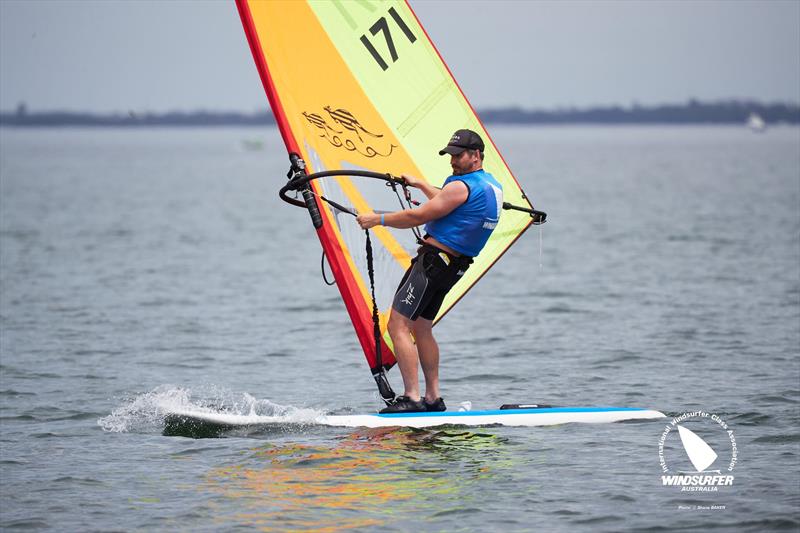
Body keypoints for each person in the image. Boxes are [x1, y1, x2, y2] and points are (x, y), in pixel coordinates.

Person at [356, 129, 503, 413]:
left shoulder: (460, 186)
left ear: (477, 155)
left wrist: (378, 219)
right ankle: (433, 397)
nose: (454, 161)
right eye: (451, 155)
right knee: (422, 327)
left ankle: (412, 397)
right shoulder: (491, 186)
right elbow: (449, 202)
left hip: (433, 262)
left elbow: (419, 215)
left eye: (459, 156)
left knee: (397, 325)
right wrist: (423, 185)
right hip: (454, 267)